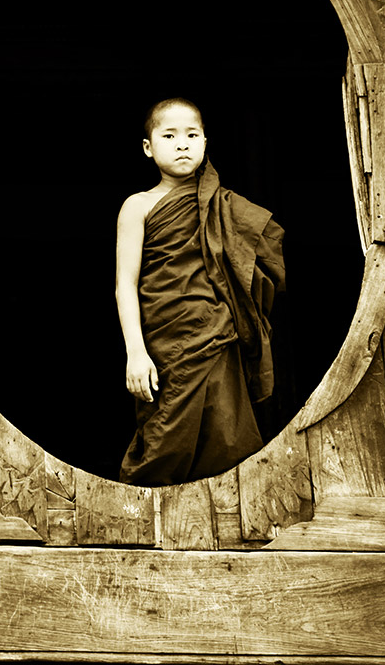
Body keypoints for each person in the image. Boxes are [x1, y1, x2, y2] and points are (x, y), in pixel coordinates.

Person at [114, 98, 285, 486]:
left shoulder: (225, 206)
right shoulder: (138, 206)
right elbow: (125, 284)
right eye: (169, 136)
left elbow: (254, 267)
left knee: (227, 441)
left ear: (205, 142)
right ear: (148, 147)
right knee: (163, 444)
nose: (182, 144)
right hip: (165, 344)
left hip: (217, 336)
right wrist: (135, 353)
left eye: (192, 135)